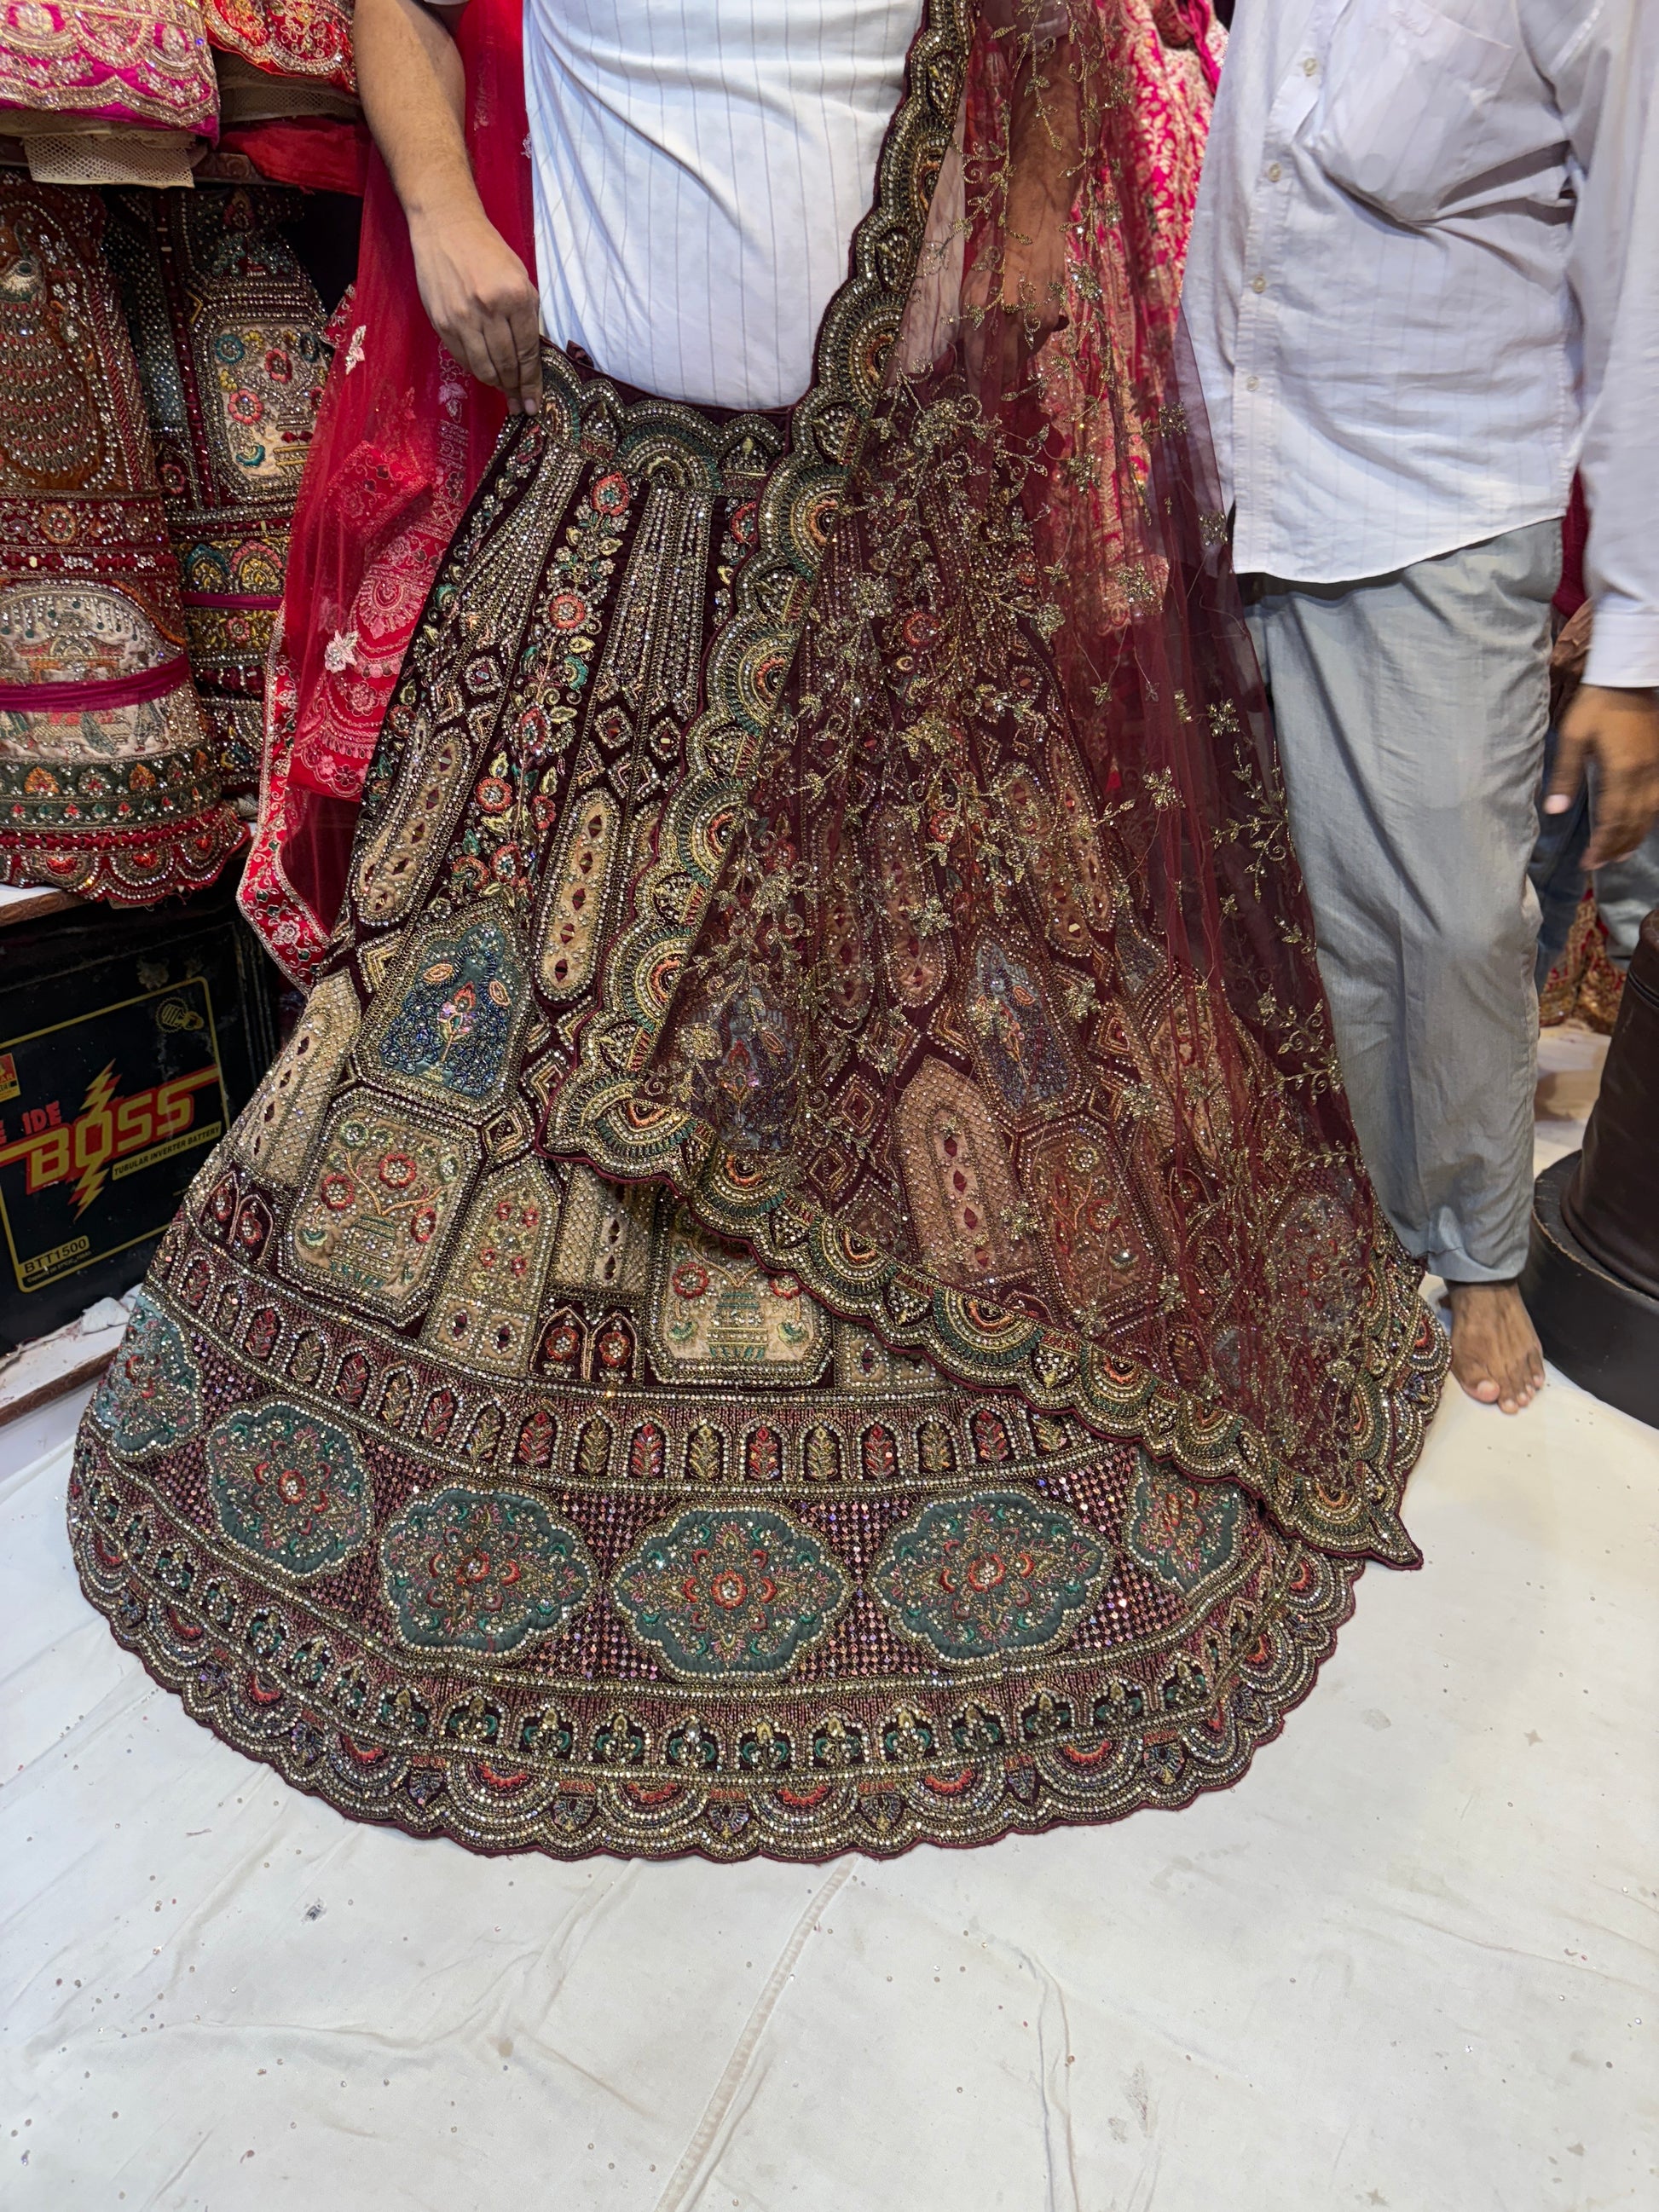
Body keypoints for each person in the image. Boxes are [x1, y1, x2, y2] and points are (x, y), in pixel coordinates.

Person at [71, 0, 1449, 1865]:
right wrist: (442, 211)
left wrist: (1008, 272)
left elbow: (1055, 49)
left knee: (972, 991)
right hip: (606, 515)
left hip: (882, 525)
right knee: (501, 1000)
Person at [1182, 0, 1659, 1416]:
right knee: (1285, 896)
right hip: (1237, 463)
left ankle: (1474, 1247)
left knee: (1452, 920)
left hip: (1434, 496)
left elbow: (1642, 288)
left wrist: (1635, 648)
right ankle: (1329, 1200)